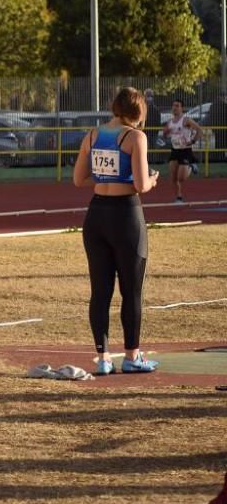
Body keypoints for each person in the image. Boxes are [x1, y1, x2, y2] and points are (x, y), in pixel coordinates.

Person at [73, 86, 159, 376]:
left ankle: (103, 357)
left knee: (100, 291)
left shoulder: (93, 135)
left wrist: (106, 176)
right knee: (131, 290)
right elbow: (140, 185)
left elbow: (78, 179)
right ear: (138, 112)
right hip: (125, 214)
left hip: (96, 214)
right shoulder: (135, 136)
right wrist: (152, 180)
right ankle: (133, 355)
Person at [162, 99, 203, 203]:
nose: (174, 108)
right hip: (175, 150)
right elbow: (165, 134)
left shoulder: (186, 120)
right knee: (173, 177)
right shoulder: (170, 122)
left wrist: (193, 141)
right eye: (173, 106)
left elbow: (199, 130)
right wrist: (166, 132)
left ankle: (191, 165)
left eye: (177, 106)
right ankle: (178, 198)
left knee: (181, 178)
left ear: (181, 108)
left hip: (185, 150)